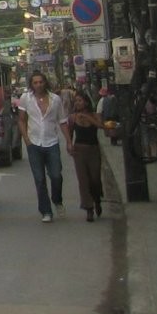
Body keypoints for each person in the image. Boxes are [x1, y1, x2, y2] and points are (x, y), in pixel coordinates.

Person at [17, 70, 71, 222]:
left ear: (45, 82)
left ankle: (57, 200)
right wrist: (26, 139)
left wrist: (69, 141)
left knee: (56, 175)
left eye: (41, 82)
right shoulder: (25, 98)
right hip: (34, 143)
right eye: (35, 82)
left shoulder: (55, 100)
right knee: (39, 179)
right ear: (31, 84)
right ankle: (46, 211)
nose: (38, 85)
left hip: (51, 142)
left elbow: (62, 121)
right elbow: (21, 120)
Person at [67, 89, 106, 222]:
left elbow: (101, 126)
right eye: (76, 101)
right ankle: (88, 208)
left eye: (80, 100)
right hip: (80, 151)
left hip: (93, 150)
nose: (78, 103)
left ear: (86, 102)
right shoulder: (73, 117)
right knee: (83, 181)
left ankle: (97, 200)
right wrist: (69, 145)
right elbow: (70, 132)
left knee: (95, 179)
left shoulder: (94, 115)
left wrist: (87, 117)